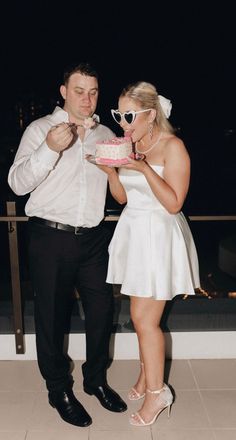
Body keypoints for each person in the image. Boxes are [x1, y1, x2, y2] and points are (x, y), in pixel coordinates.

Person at [8, 62, 127, 428]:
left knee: (102, 312)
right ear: (63, 91)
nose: (87, 99)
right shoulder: (39, 129)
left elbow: (119, 189)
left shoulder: (106, 133)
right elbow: (16, 184)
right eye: (79, 91)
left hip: (93, 238)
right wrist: (48, 149)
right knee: (51, 318)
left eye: (93, 91)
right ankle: (58, 388)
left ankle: (95, 380)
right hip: (49, 237)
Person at [101, 81, 200, 426]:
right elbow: (122, 198)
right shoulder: (131, 143)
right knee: (138, 315)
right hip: (134, 234)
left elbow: (174, 204)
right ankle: (147, 374)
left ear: (150, 113)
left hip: (158, 236)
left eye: (128, 115)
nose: (121, 122)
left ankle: (159, 393)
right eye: (118, 114)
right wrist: (112, 171)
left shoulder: (174, 147)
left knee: (146, 321)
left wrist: (143, 168)